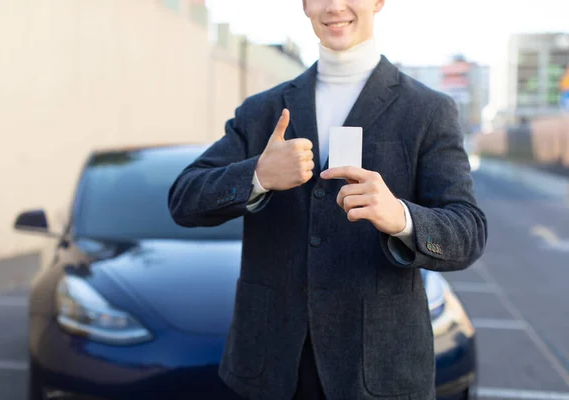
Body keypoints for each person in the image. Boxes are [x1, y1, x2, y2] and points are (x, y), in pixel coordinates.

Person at [168, 0, 488, 398]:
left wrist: (401, 216)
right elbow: (183, 198)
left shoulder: (427, 111)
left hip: (378, 371)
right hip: (272, 365)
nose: (335, 6)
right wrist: (257, 175)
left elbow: (468, 232)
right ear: (304, 5)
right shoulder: (262, 110)